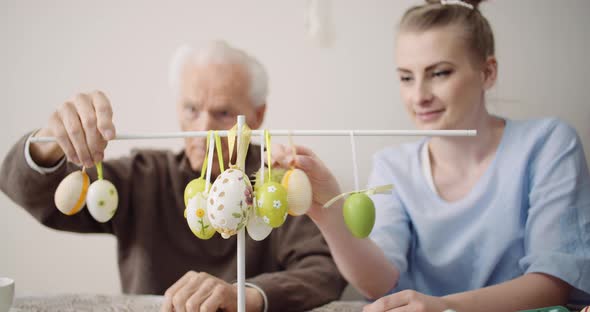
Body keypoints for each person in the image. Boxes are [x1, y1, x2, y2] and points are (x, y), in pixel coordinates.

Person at [272, 0, 590, 311]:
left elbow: (555, 282)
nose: (419, 96)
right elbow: (378, 282)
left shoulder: (547, 143)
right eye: (406, 77)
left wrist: (445, 307)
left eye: (439, 73)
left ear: (488, 72)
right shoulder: (392, 166)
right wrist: (327, 209)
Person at [0, 40, 346, 312]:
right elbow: (41, 199)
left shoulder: (278, 182)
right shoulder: (143, 177)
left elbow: (325, 271)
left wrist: (246, 296)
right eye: (191, 109)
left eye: (223, 113)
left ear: (257, 115)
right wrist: (47, 145)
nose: (203, 128)